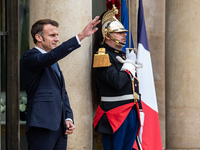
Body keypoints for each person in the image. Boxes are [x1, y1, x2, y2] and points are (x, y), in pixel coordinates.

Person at [21, 17, 100, 150]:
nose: (57, 39)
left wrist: (68, 118)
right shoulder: (30, 56)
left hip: (60, 128)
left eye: (57, 35)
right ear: (38, 38)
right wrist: (80, 36)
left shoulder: (53, 61)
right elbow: (51, 57)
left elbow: (62, 93)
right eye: (52, 35)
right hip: (42, 125)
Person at [92, 5, 144, 150]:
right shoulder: (102, 56)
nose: (124, 35)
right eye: (119, 32)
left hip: (131, 111)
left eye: (124, 32)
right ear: (107, 35)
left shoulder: (121, 55)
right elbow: (117, 82)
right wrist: (128, 64)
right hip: (115, 114)